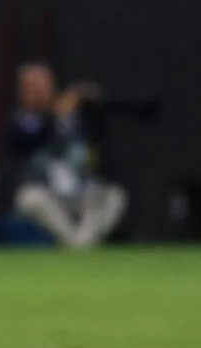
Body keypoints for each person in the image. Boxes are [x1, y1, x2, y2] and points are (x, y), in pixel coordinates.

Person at [7, 61, 127, 247]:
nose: (39, 91)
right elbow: (27, 140)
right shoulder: (22, 120)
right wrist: (56, 115)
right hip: (46, 193)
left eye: (43, 85)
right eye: (32, 87)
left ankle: (80, 243)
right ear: (22, 91)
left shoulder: (75, 117)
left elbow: (98, 134)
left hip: (80, 191)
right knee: (29, 199)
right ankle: (76, 244)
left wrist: (90, 99)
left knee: (115, 197)